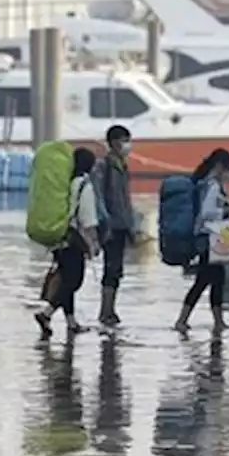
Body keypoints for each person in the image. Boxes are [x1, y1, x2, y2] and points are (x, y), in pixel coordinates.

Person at [35, 147, 102, 338]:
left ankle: (71, 323)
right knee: (74, 281)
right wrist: (93, 243)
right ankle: (45, 313)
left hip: (58, 236)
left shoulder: (65, 183)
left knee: (66, 279)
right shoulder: (84, 185)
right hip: (73, 240)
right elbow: (87, 219)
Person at [174, 149, 229, 335]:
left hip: (209, 238)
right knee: (206, 280)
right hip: (210, 238)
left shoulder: (204, 184)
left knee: (214, 280)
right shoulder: (212, 187)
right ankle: (183, 321)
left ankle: (217, 322)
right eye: (228, 169)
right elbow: (208, 214)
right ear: (219, 167)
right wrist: (228, 210)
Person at [93, 125, 135, 326]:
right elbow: (99, 196)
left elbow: (126, 199)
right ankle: (105, 311)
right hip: (111, 226)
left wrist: (131, 225)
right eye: (124, 140)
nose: (128, 145)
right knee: (111, 268)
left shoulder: (122, 165)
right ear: (113, 143)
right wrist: (105, 223)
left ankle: (111, 310)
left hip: (122, 225)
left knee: (117, 270)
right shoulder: (104, 166)